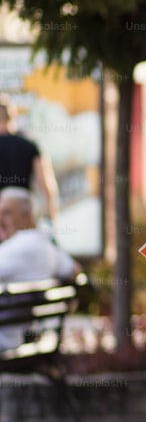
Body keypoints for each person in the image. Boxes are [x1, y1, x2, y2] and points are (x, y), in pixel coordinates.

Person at [0, 187, 78, 349]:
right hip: (34, 340)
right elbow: (76, 271)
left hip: (8, 341)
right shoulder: (46, 244)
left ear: (27, 217)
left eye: (7, 213)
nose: (0, 219)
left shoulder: (19, 246)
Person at [0, 104, 60, 223]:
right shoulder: (29, 144)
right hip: (24, 206)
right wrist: (52, 214)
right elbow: (45, 182)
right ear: (13, 117)